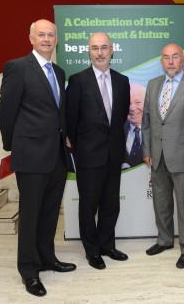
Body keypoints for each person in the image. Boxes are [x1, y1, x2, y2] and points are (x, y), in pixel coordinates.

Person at [0, 19, 76, 297]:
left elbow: (57, 112)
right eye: (41, 34)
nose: (46, 39)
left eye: (51, 35)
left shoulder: (58, 70)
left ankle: (47, 259)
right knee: (30, 215)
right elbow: (5, 111)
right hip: (30, 155)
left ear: (56, 40)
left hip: (56, 155)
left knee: (50, 212)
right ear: (31, 38)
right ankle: (29, 271)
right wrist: (14, 146)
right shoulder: (17, 67)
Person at [66, 32, 130, 270]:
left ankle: (107, 245)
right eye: (95, 48)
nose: (100, 52)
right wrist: (77, 144)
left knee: (111, 204)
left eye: (104, 47)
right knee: (88, 206)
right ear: (89, 51)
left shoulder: (122, 81)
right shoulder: (78, 80)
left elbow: (120, 118)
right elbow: (71, 119)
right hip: (88, 155)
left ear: (112, 50)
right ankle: (92, 251)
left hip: (113, 155)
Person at [141, 43, 184, 269]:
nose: (171, 62)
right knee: (161, 202)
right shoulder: (153, 85)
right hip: (157, 156)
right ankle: (164, 239)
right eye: (166, 58)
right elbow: (147, 123)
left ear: (183, 60)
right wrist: (147, 151)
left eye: (175, 57)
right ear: (161, 61)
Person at [122, 83, 146, 169]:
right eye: (128, 103)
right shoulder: (114, 131)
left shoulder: (161, 130)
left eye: (138, 102)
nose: (132, 108)